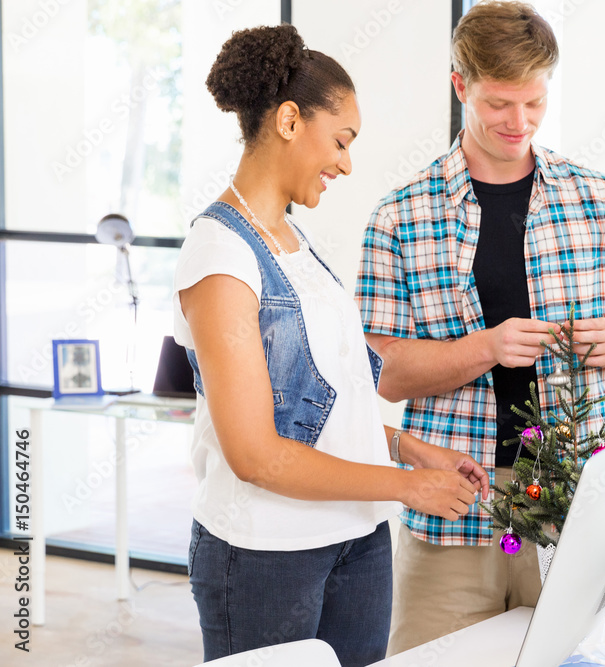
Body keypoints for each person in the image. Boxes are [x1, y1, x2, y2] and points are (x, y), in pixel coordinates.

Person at [355, 0, 605, 654]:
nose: (519, 122)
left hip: (569, 506)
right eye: (499, 103)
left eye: (535, 101)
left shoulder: (600, 201)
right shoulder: (399, 217)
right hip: (451, 505)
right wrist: (485, 348)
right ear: (460, 86)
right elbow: (382, 375)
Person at [173, 25, 488, 666]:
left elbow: (316, 406)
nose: (346, 164)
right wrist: (406, 487)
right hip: (267, 555)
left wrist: (408, 448)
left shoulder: (295, 242)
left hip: (357, 538)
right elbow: (256, 455)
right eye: (341, 141)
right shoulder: (220, 257)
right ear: (290, 121)